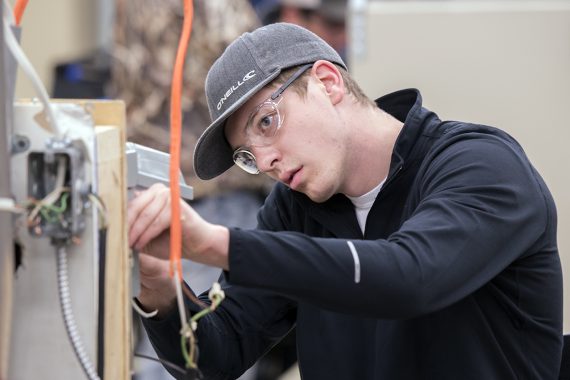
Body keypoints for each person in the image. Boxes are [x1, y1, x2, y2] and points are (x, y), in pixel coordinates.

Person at [127, 23, 563, 379]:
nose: (265, 160)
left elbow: (407, 277)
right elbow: (217, 357)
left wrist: (215, 244)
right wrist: (164, 295)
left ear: (327, 82)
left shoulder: (480, 165)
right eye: (247, 155)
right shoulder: (294, 209)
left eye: (266, 122)